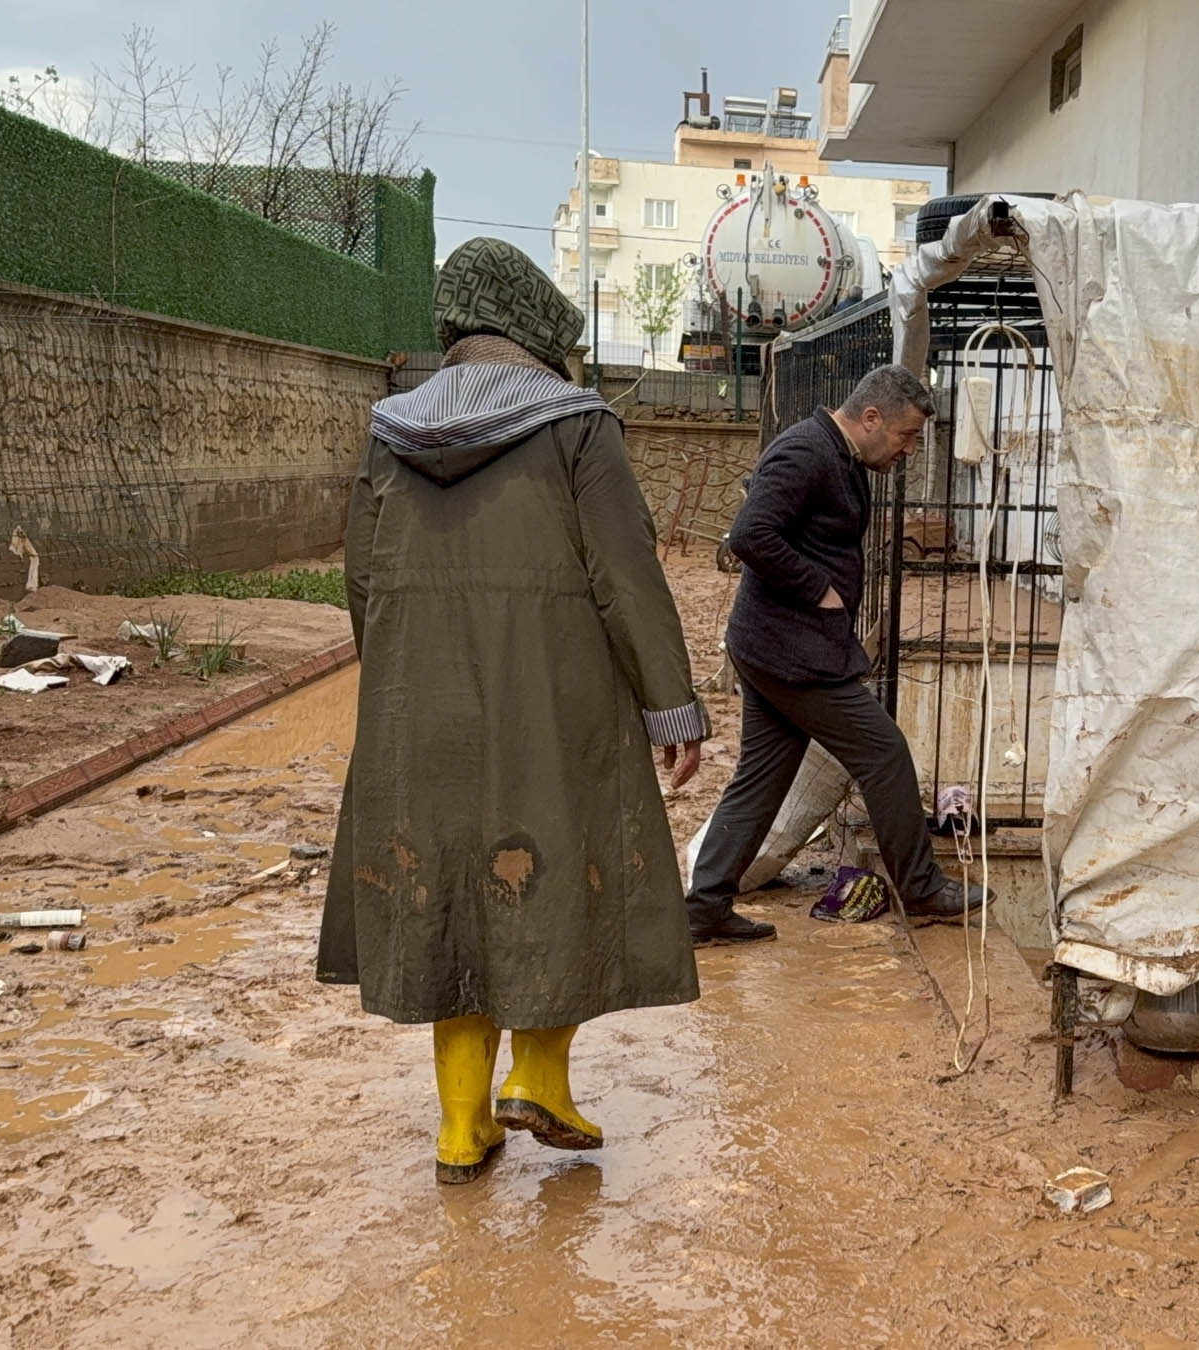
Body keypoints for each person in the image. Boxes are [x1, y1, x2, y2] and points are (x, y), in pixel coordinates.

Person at [317, 237, 709, 1185]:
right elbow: (626, 575)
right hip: (555, 697)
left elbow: (363, 578)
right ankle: (536, 1077)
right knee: (554, 871)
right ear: (539, 326)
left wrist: (399, 687)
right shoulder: (578, 425)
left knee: (447, 894)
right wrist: (673, 705)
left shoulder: (389, 431)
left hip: (422, 706)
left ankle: (461, 1130)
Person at [685, 364, 990, 945]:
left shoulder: (837, 454)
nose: (908, 450)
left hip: (780, 645)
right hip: (790, 650)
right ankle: (922, 887)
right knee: (884, 752)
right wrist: (815, 586)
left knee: (761, 778)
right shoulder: (806, 452)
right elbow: (751, 535)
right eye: (905, 436)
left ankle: (704, 908)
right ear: (870, 418)